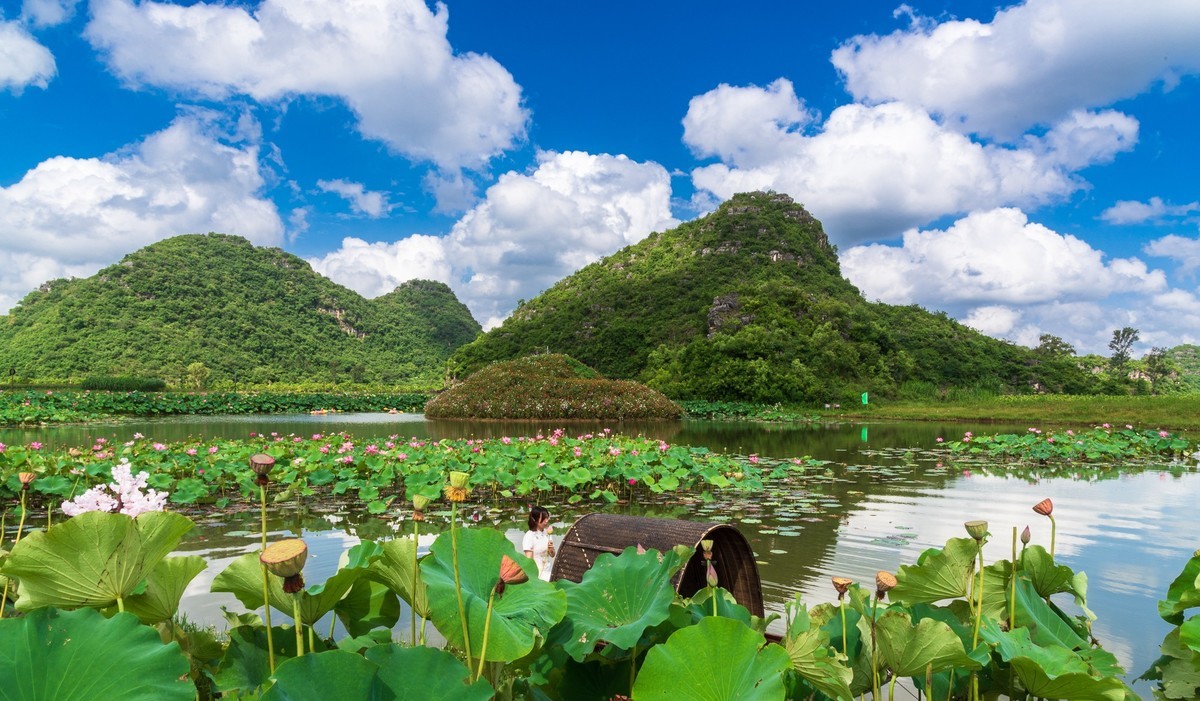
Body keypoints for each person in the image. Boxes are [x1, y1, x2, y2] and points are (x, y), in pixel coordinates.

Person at [522, 505, 555, 581]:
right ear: (535, 519)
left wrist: (551, 548)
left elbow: (552, 555)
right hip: (537, 574)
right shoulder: (529, 536)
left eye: (547, 518)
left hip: (548, 571)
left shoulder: (547, 533)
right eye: (543, 518)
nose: (546, 521)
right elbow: (528, 561)